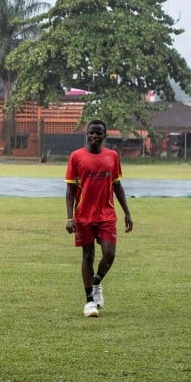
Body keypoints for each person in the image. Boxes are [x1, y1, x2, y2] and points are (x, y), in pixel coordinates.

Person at [65, 119, 134, 318]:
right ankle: (89, 302)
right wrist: (69, 218)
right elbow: (69, 190)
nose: (94, 136)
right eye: (91, 133)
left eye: (98, 133)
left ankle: (97, 282)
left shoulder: (112, 157)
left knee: (109, 253)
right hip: (84, 216)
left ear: (104, 135)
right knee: (88, 256)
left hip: (106, 215)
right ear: (86, 134)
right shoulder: (76, 157)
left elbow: (117, 186)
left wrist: (127, 213)